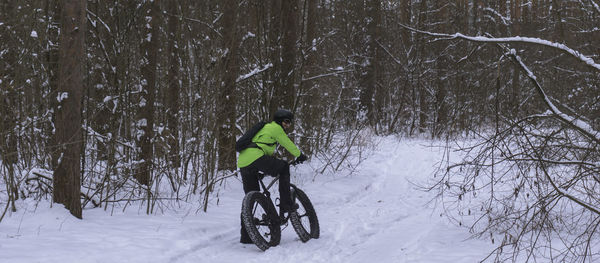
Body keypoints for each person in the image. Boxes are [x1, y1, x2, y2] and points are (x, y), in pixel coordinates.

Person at [237, 109, 307, 244]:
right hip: (255, 158)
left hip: (244, 162)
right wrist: (300, 155)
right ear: (280, 121)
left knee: (251, 197)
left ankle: (246, 236)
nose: (287, 125)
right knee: (284, 167)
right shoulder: (274, 128)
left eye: (289, 123)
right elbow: (288, 143)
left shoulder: (264, 130)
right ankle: (286, 203)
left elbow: (263, 150)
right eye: (286, 122)